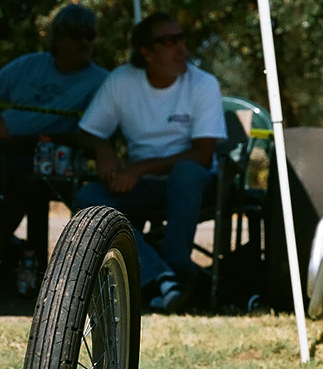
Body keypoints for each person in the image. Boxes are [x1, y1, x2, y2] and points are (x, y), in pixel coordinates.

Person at [76, 11, 225, 312]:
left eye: (182, 39)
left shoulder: (203, 84)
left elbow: (203, 154)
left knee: (186, 173)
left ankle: (179, 273)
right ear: (146, 52)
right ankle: (161, 279)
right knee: (87, 196)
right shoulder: (122, 81)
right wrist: (104, 151)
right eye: (169, 41)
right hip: (140, 186)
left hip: (192, 186)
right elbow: (85, 133)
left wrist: (139, 168)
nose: (181, 48)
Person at [0, 4, 107, 295]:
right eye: (75, 35)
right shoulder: (29, 65)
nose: (84, 42)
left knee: (24, 178)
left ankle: (26, 265)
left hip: (50, 155)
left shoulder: (101, 81)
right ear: (57, 38)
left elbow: (94, 132)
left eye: (90, 35)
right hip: (6, 144)